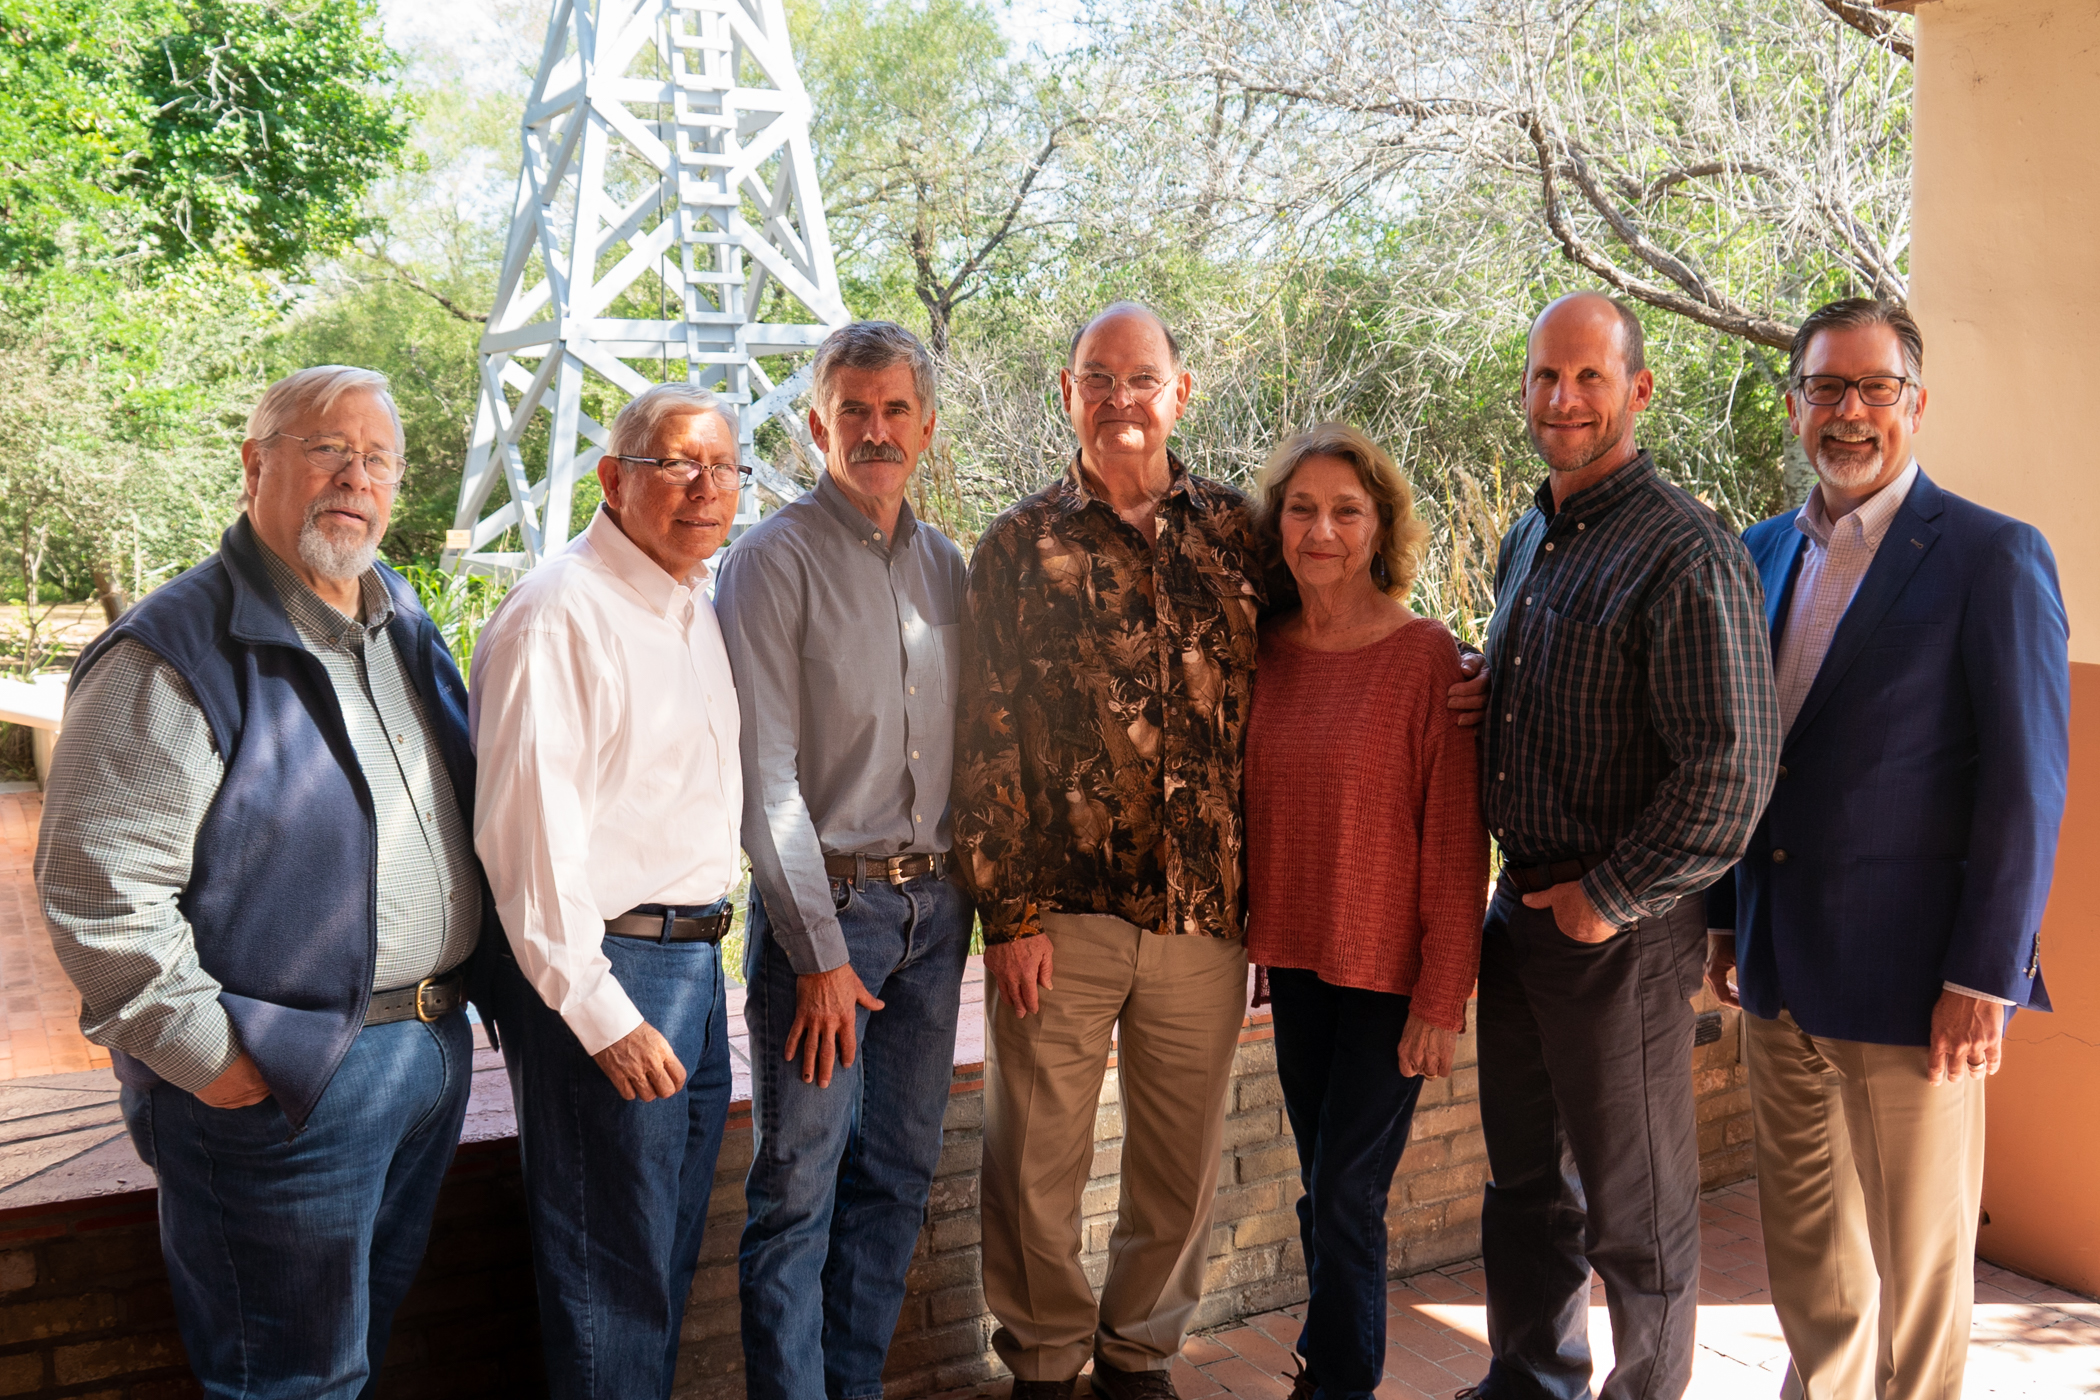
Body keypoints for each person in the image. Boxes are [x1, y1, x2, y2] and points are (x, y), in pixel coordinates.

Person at [35, 366, 485, 1396]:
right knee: (286, 1379)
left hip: (418, 1051)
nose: (355, 477)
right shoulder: (174, 647)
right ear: (255, 463)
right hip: (284, 1081)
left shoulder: (400, 621)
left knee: (347, 1357)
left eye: (378, 457)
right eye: (329, 447)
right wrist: (216, 1058)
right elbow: (99, 892)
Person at [1703, 299, 2068, 1400]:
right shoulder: (1759, 550)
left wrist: (1983, 977)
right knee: (1811, 1262)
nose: (1849, 412)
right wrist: (1726, 914)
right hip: (1778, 976)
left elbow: (2026, 783)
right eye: (1826, 388)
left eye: (1874, 389)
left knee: (1918, 1277)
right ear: (1794, 403)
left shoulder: (1991, 556)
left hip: (1920, 990)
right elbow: (1742, 752)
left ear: (1917, 404)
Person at [1462, 292, 1780, 1400]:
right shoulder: (1528, 532)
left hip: (1619, 931)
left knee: (1638, 1215)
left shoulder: (1687, 550)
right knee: (1523, 1187)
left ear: (1638, 390)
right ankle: (1531, 1379)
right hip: (1519, 918)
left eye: (1589, 378)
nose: (1564, 398)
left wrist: (1609, 894)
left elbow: (1731, 767)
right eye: (1547, 376)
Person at [954, 301, 1263, 1400]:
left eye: (1142, 378)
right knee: (1033, 1160)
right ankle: (1043, 1360)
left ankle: (1140, 1355)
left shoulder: (1240, 531)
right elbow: (981, 733)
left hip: (1206, 915)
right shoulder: (1014, 544)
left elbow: (1301, 687)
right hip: (1064, 915)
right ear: (1066, 393)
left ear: (1181, 392)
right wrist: (1012, 916)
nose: (1121, 398)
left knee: (1177, 1164)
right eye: (1099, 376)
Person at [714, 321, 973, 1400]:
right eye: (852, 411)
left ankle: (849, 1385)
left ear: (923, 426)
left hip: (935, 917)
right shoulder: (770, 562)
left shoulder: (947, 565)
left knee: (900, 1172)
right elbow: (761, 775)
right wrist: (818, 951)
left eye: (895, 410)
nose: (875, 430)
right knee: (797, 1187)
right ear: (818, 423)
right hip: (829, 923)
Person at [472, 383, 745, 1400]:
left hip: (689, 961)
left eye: (722, 467)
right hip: (609, 967)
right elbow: (526, 838)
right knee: (607, 1275)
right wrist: (598, 1009)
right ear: (613, 478)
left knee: (658, 1258)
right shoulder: (561, 613)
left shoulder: (689, 607)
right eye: (677, 462)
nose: (704, 487)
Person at [1243, 424, 1488, 1400]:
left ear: (1380, 524)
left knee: (1347, 1190)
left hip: (1392, 971)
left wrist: (1444, 993)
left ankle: (1338, 1379)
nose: (1322, 529)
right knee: (1325, 1188)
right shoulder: (1266, 649)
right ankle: (1329, 1343)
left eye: (1346, 510)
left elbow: (1458, 836)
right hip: (1298, 961)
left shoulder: (1429, 656)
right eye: (1301, 508)